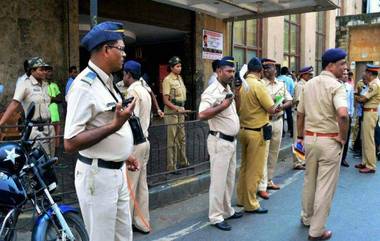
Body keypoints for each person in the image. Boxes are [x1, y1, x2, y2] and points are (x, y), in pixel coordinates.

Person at [64, 21, 139, 241]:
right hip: (98, 177)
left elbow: (105, 125)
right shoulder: (83, 86)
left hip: (116, 172)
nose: (125, 54)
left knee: (123, 236)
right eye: (121, 49)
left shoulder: (107, 82)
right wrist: (114, 125)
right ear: (107, 50)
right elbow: (70, 142)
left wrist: (125, 154)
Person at [298, 48, 348, 240]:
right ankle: (317, 231)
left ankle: (307, 218)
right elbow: (342, 114)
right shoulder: (336, 86)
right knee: (325, 187)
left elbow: (300, 113)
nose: (344, 67)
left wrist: (300, 138)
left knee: (309, 181)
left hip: (310, 138)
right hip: (330, 140)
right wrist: (343, 137)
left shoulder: (308, 85)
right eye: (342, 64)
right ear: (331, 65)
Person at [198, 56, 243, 231]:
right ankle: (216, 216)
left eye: (233, 71)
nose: (232, 74)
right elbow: (202, 114)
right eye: (228, 71)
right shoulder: (212, 92)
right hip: (219, 141)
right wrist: (223, 106)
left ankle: (227, 209)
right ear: (219, 71)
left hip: (230, 142)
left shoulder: (227, 88)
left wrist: (236, 94)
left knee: (229, 179)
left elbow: (234, 111)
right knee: (218, 181)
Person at [236, 57, 280, 214]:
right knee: (254, 170)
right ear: (260, 71)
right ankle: (251, 203)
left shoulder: (242, 85)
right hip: (256, 132)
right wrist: (277, 106)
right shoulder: (258, 85)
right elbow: (270, 107)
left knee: (244, 167)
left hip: (243, 129)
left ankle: (241, 199)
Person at [0, 57, 55, 156]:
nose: (44, 72)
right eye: (41, 70)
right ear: (32, 70)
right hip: (35, 129)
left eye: (45, 69)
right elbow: (14, 104)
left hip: (49, 127)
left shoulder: (46, 84)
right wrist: (1, 123)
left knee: (50, 160)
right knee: (38, 160)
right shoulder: (24, 84)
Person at [122, 60, 152, 235]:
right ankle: (142, 222)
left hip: (135, 143)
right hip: (145, 141)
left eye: (124, 74)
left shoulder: (133, 91)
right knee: (141, 185)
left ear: (128, 74)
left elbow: (130, 118)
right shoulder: (145, 90)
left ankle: (125, 228)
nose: (123, 77)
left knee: (129, 187)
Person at [257, 58, 293, 200]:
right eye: (264, 68)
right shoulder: (260, 85)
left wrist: (282, 106)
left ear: (275, 70)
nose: (266, 71)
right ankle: (262, 185)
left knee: (274, 153)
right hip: (266, 121)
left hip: (278, 121)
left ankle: (269, 179)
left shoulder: (281, 84)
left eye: (269, 68)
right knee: (264, 153)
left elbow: (289, 100)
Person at [162, 56, 190, 172]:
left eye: (180, 66)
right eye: (177, 66)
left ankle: (183, 162)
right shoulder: (167, 80)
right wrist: (177, 109)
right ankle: (171, 167)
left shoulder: (179, 78)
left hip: (180, 109)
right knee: (172, 140)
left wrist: (181, 109)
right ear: (171, 67)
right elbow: (166, 100)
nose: (180, 68)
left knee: (182, 138)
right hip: (171, 111)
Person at [354, 64, 380, 173]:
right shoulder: (372, 83)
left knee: (369, 140)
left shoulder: (375, 84)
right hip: (367, 112)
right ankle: (365, 162)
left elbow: (363, 99)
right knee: (364, 139)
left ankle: (371, 165)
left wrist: (354, 96)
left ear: (370, 73)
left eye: (366, 72)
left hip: (370, 112)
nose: (364, 74)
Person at [292, 66, 313, 170]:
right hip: (299, 114)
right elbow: (299, 101)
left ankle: (302, 159)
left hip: (305, 115)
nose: (311, 76)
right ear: (304, 75)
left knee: (303, 138)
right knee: (298, 138)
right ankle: (298, 162)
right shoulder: (300, 86)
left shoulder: (306, 85)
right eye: (309, 74)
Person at [46, 65, 64, 152]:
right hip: (47, 116)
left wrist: (51, 98)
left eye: (51, 71)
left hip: (56, 115)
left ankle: (56, 154)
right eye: (48, 71)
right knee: (49, 136)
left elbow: (60, 99)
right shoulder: (42, 86)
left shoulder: (54, 85)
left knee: (57, 135)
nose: (50, 73)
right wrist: (54, 98)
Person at [341, 68, 354, 167]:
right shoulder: (336, 85)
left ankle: (343, 158)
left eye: (347, 74)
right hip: (337, 116)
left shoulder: (349, 87)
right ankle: (336, 157)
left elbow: (351, 101)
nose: (345, 75)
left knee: (346, 136)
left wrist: (351, 113)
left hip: (347, 115)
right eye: (344, 74)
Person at [278, 66, 295, 137]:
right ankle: (291, 131)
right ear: (287, 72)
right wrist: (290, 97)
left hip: (279, 98)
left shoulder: (277, 78)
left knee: (280, 115)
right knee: (289, 115)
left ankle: (282, 132)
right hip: (288, 99)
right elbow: (292, 89)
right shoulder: (289, 79)